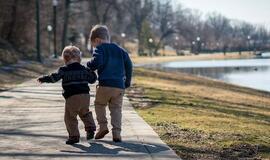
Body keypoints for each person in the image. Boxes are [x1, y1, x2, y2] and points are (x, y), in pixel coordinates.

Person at [37, 45, 97, 145]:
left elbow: (54, 78)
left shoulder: (64, 70)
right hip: (85, 96)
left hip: (72, 97)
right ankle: (90, 128)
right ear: (79, 58)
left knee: (70, 117)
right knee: (85, 113)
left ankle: (74, 136)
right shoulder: (84, 69)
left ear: (65, 59)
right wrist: (92, 72)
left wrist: (44, 79)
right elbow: (92, 80)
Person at [87, 25, 133, 142]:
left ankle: (102, 126)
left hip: (105, 85)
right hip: (119, 86)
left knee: (99, 105)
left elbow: (97, 61)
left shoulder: (100, 48)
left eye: (93, 45)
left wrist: (89, 65)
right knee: (116, 109)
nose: (94, 48)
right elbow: (129, 65)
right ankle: (116, 133)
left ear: (97, 40)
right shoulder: (121, 50)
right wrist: (127, 81)